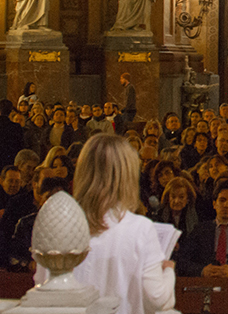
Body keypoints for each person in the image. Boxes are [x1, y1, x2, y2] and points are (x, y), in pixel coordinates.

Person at [35, 134, 175, 314]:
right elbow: (157, 299)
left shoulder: (61, 223)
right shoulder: (141, 228)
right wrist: (168, 272)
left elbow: (42, 284)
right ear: (128, 175)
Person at [175, 180, 228, 279]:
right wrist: (202, 270)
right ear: (214, 204)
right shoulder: (200, 230)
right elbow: (182, 261)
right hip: (205, 285)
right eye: (222, 200)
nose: (226, 205)